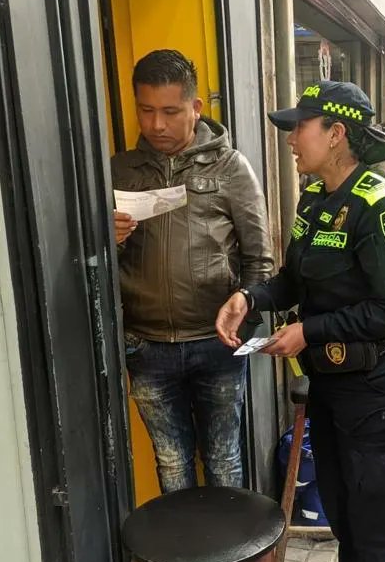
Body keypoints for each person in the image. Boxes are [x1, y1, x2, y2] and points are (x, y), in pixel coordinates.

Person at [216, 81, 385, 562]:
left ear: (335, 134)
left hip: (374, 391)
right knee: (342, 505)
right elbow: (294, 279)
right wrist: (251, 297)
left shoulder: (381, 206)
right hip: (330, 386)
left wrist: (311, 330)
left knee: (376, 521)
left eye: (299, 127)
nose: (290, 139)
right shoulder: (315, 198)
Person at [112, 49, 274, 493]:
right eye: (146, 110)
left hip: (216, 343)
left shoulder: (230, 167)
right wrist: (108, 239)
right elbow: (90, 263)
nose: (156, 125)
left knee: (224, 459)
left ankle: (227, 540)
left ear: (195, 107)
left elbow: (259, 257)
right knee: (171, 464)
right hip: (146, 345)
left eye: (170, 111)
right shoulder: (120, 170)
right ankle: (183, 540)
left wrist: (245, 320)